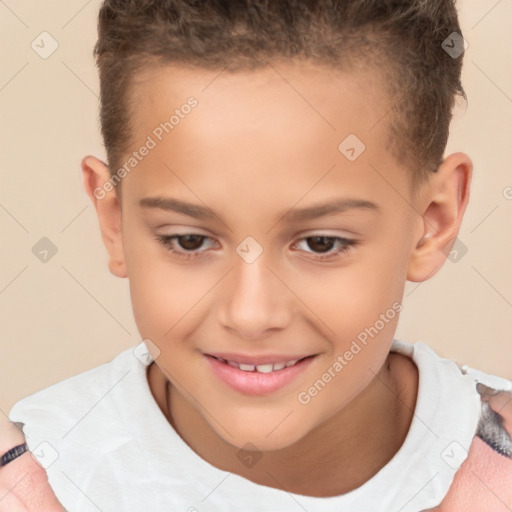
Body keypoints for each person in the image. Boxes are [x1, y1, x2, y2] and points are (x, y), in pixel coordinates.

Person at [2, 1, 511, 510]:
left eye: (320, 243)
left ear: (432, 221)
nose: (250, 314)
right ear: (115, 222)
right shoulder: (32, 482)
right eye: (189, 240)